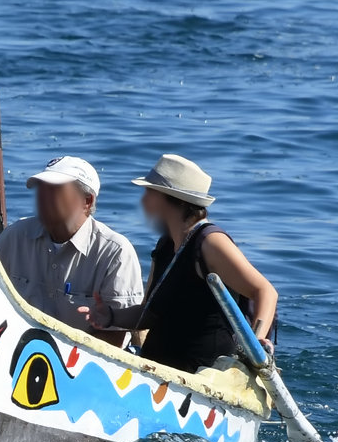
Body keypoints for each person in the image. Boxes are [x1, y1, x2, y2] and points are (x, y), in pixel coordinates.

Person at [80, 154, 278, 373]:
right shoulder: (166, 244)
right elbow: (149, 313)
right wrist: (109, 316)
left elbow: (265, 291)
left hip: (203, 381)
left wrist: (256, 346)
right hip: (159, 375)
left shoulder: (210, 242)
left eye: (149, 192)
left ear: (172, 200)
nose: (143, 200)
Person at [0, 156, 142, 346]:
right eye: (41, 191)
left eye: (54, 191)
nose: (42, 198)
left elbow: (114, 340)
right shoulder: (14, 237)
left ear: (87, 201)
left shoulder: (115, 254)